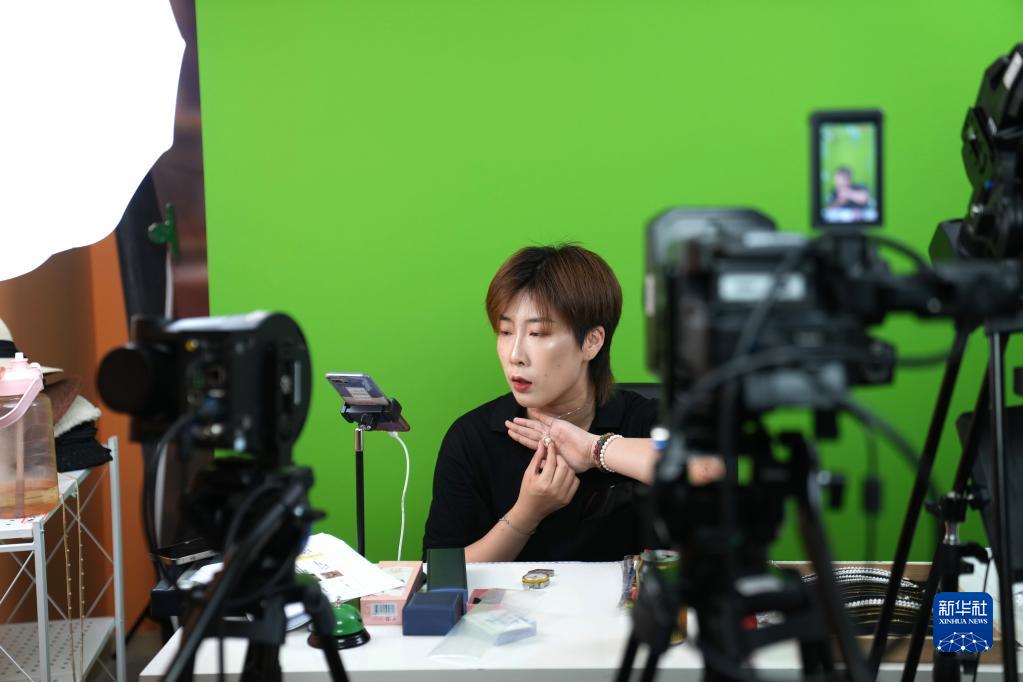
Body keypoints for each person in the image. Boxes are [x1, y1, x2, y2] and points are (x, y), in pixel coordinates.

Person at [422, 244, 665, 562]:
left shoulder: (642, 418)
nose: (515, 355)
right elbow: (439, 570)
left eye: (537, 333)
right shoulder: (472, 437)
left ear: (591, 342)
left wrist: (594, 450)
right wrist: (526, 514)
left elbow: (708, 467)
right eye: (505, 331)